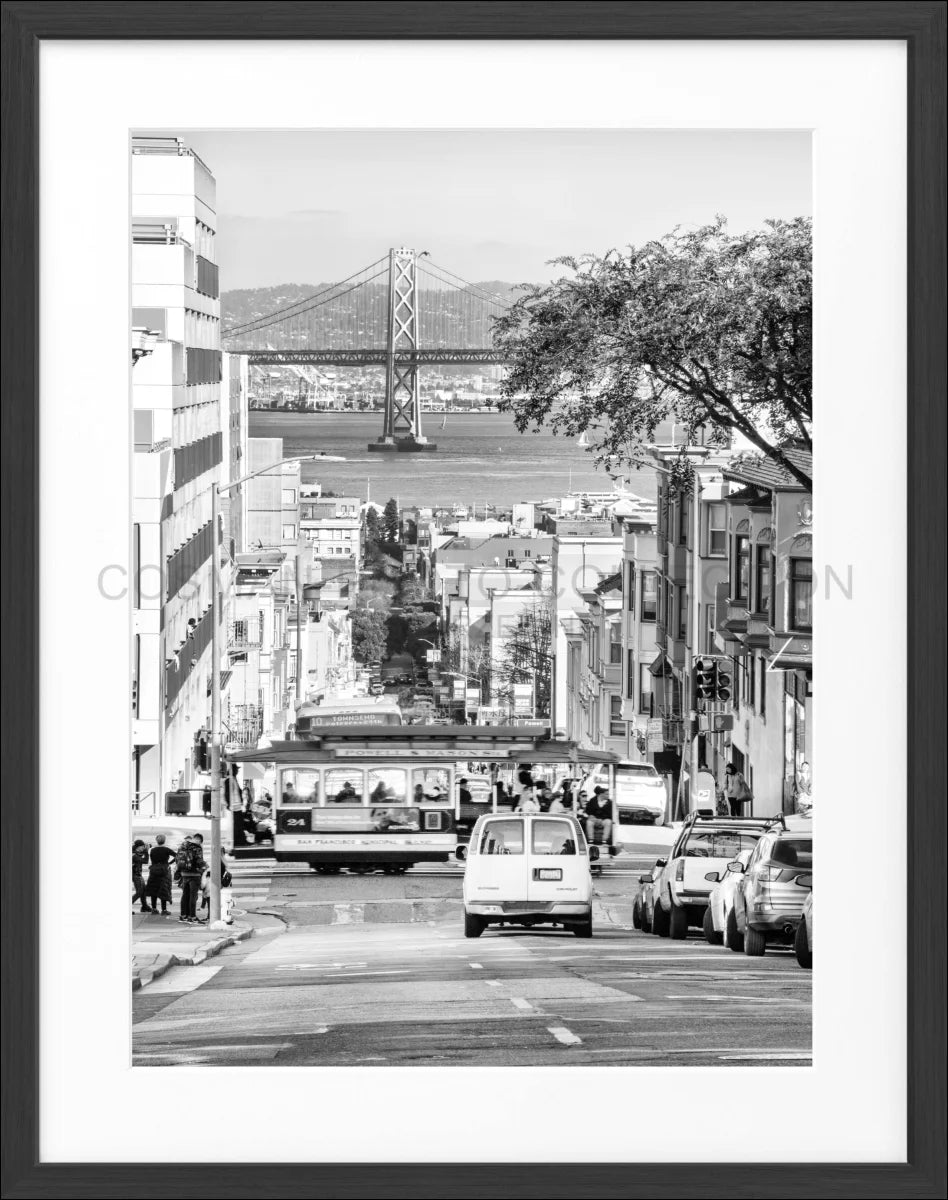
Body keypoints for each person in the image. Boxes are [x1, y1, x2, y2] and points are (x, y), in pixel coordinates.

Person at [176, 833, 206, 924]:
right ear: (200, 840)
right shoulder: (197, 847)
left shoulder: (183, 845)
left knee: (185, 895)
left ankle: (183, 916)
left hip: (184, 873)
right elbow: (199, 861)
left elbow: (177, 859)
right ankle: (192, 917)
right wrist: (205, 867)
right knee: (193, 896)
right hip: (194, 874)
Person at [145, 833, 176, 916]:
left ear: (156, 841)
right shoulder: (166, 849)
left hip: (154, 870)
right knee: (163, 890)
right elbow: (177, 857)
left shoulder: (152, 850)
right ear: (164, 841)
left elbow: (150, 858)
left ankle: (154, 909)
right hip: (164, 871)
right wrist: (169, 863)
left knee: (153, 890)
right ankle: (164, 909)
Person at [132, 840, 150, 913]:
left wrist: (145, 850)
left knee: (143, 891)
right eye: (142, 846)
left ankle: (145, 906)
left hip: (138, 874)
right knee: (139, 892)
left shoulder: (135, 852)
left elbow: (140, 854)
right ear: (138, 847)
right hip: (135, 875)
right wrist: (146, 852)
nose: (143, 848)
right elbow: (145, 861)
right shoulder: (134, 855)